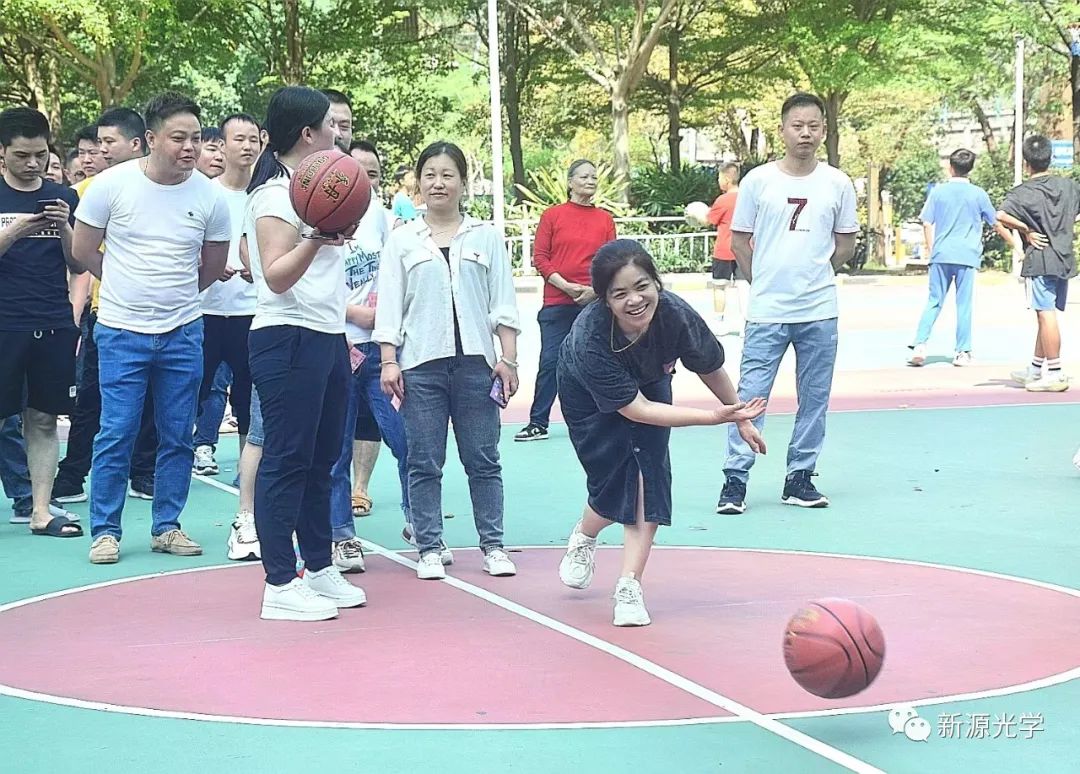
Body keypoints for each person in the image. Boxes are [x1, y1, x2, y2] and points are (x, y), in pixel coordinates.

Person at [556, 241, 765, 626]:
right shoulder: (589, 339)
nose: (635, 300)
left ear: (656, 282)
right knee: (610, 483)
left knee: (646, 477)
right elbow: (637, 410)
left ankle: (629, 585)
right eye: (620, 293)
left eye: (642, 286)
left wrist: (739, 415)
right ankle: (585, 535)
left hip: (650, 381)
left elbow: (708, 365)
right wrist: (713, 418)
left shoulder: (675, 315)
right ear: (604, 300)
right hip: (586, 394)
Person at [73, 92, 231, 564]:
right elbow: (83, 251)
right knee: (116, 431)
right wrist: (125, 285)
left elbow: (213, 264)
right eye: (178, 137)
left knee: (178, 433)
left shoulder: (210, 195)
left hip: (183, 331)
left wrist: (175, 294)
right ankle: (105, 531)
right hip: (120, 330)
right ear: (151, 139)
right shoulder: (111, 185)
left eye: (196, 138)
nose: (190, 147)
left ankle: (167, 526)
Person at [245, 85, 366, 620]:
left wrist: (326, 234)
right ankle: (278, 582)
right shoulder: (276, 195)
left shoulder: (318, 186)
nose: (338, 133)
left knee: (322, 458)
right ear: (307, 133)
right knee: (287, 457)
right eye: (331, 125)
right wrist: (316, 237)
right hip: (286, 334)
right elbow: (274, 276)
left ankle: (317, 566)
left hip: (325, 333)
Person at [375, 140, 521, 580]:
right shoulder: (402, 240)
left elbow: (503, 302)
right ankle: (429, 547)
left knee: (483, 458)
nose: (438, 183)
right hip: (420, 366)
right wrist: (388, 360)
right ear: (418, 182)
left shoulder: (485, 237)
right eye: (430, 175)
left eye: (447, 175)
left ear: (462, 182)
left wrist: (508, 359)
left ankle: (493, 545)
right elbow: (390, 306)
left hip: (477, 365)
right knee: (424, 460)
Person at [715, 92, 858, 515]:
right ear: (782, 130)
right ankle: (735, 478)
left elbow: (845, 243)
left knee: (814, 397)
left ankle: (800, 476)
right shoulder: (759, 181)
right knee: (751, 396)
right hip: (767, 312)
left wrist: (816, 274)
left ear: (824, 131)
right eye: (798, 126)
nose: (805, 133)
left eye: (813, 126)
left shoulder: (837, 183)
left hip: (819, 310)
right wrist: (762, 281)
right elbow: (740, 241)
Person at [53, 108, 157, 505]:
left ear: (137, 143)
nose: (99, 150)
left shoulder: (170, 187)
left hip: (162, 314)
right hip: (108, 311)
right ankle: (73, 474)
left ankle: (143, 472)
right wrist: (108, 283)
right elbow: (80, 257)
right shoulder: (87, 191)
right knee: (92, 399)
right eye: (97, 143)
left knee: (153, 401)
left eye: (108, 142)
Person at [0, 107, 84, 538]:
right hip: (4, 323)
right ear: (2, 153)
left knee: (44, 419)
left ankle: (40, 510)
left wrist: (65, 227)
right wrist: (17, 230)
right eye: (22, 155)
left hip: (52, 320)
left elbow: (79, 262)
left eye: (40, 154)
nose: (33, 163)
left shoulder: (63, 196)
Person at [328, 139, 411, 573]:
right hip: (337, 348)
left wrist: (388, 326)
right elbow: (308, 286)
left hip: (381, 351)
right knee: (336, 450)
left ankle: (421, 522)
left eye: (372, 173)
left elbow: (395, 277)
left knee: (407, 439)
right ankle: (342, 536)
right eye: (355, 171)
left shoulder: (380, 217)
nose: (364, 179)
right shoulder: (319, 215)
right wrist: (350, 314)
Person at [191, 113, 262, 561]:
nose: (246, 147)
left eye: (254, 139)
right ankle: (173, 480)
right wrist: (211, 268)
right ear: (221, 144)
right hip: (204, 312)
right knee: (191, 398)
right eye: (238, 139)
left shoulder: (267, 193)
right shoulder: (203, 193)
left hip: (253, 313)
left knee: (250, 406)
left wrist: (258, 270)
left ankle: (248, 492)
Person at [515, 159, 615, 442]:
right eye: (584, 176)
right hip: (557, 302)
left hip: (594, 302)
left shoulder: (605, 219)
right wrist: (566, 286)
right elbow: (541, 258)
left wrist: (594, 291)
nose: (590, 181)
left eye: (594, 177)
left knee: (596, 359)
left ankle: (603, 418)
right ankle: (538, 422)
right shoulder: (552, 216)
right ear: (570, 182)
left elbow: (612, 260)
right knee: (551, 360)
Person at [998, 135, 1080, 393]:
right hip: (1063, 257)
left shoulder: (1022, 192)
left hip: (1040, 259)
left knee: (1046, 315)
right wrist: (1068, 223)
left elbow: (1000, 215)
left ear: (1026, 163)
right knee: (1045, 315)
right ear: (1050, 158)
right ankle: (1035, 369)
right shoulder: (1070, 187)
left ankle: (1054, 372)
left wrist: (1027, 229)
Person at [907, 149, 1002, 367]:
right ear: (971, 168)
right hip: (967, 255)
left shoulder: (938, 192)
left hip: (941, 254)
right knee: (964, 304)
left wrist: (932, 249)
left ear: (950, 167)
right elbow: (995, 222)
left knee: (934, 300)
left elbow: (927, 222)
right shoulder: (979, 194)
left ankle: (920, 344)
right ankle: (962, 352)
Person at [706, 162, 748, 336]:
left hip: (724, 249)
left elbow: (709, 220)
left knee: (719, 286)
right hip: (745, 248)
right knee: (744, 287)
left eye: (719, 178)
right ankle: (746, 324)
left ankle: (719, 322)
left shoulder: (722, 200)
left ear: (726, 179)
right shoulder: (748, 198)